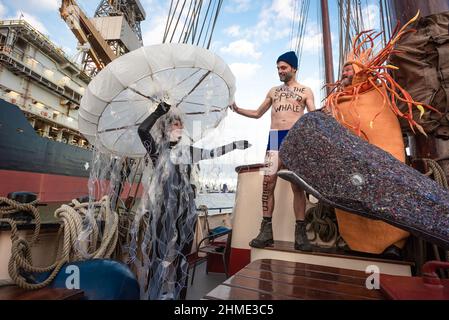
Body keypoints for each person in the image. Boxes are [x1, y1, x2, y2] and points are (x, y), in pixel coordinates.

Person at [134, 101, 250, 300]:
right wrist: (158, 112)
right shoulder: (157, 151)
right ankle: (153, 295)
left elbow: (212, 152)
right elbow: (142, 130)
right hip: (163, 210)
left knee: (183, 258)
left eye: (181, 125)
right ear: (165, 128)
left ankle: (181, 298)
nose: (180, 128)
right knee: (157, 256)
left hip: (187, 212)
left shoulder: (188, 151)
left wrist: (235, 145)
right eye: (175, 125)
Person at [230, 51, 316, 251]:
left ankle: (300, 234)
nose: (280, 71)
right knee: (267, 183)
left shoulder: (306, 91)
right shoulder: (273, 91)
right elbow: (258, 113)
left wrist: (325, 114)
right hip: (275, 138)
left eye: (284, 67)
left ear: (294, 68)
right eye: (278, 68)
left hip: (295, 139)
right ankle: (266, 231)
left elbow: (313, 114)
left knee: (297, 187)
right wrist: (237, 109)